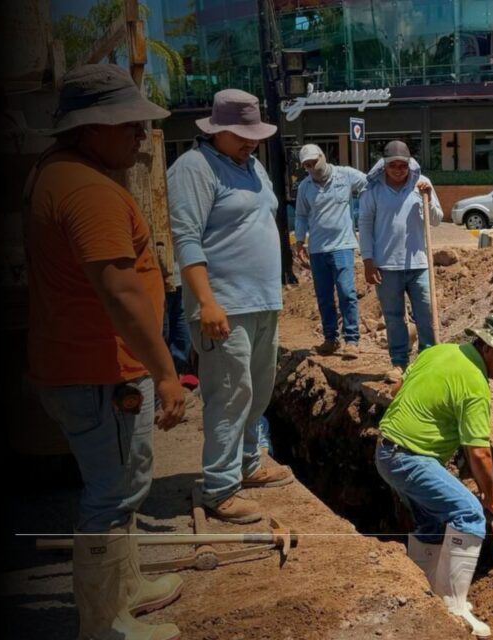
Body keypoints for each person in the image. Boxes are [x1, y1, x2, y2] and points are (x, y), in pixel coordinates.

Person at [25, 64, 185, 639]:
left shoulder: (58, 172)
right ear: (90, 129)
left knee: (122, 485)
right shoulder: (89, 191)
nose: (140, 137)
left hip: (82, 367)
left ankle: (125, 586)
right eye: (129, 126)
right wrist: (165, 373)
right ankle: (105, 624)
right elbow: (120, 293)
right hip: (101, 372)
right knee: (113, 494)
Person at [168, 88, 294, 526]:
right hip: (223, 307)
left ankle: (246, 462)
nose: (250, 141)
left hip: (262, 302)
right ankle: (220, 488)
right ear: (216, 129)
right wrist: (206, 301)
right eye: (241, 134)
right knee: (228, 393)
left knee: (257, 390)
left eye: (254, 134)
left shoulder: (254, 166)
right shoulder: (194, 169)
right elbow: (186, 238)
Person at [375, 314, 493, 636]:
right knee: (469, 513)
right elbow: (478, 452)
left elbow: (398, 390)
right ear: (487, 348)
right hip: (409, 458)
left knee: (432, 522)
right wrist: (490, 498)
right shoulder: (475, 384)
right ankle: (453, 607)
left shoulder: (438, 351)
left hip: (387, 451)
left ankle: (426, 591)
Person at [358, 140, 444, 381]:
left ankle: (427, 360)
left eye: (402, 165)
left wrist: (427, 198)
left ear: (409, 164)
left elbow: (436, 219)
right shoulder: (373, 190)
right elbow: (364, 225)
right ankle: (399, 363)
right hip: (386, 265)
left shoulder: (421, 185)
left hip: (418, 263)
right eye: (393, 165)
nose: (398, 169)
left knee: (426, 313)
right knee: (394, 317)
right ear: (384, 165)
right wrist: (367, 260)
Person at [294, 144, 367, 358]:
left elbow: (368, 184)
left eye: (313, 162)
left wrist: (367, 211)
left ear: (323, 157)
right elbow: (300, 215)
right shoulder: (305, 187)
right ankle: (330, 338)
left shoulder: (345, 175)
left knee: (346, 292)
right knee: (324, 296)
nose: (311, 168)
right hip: (317, 249)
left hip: (342, 246)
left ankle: (352, 339)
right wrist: (300, 241)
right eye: (306, 165)